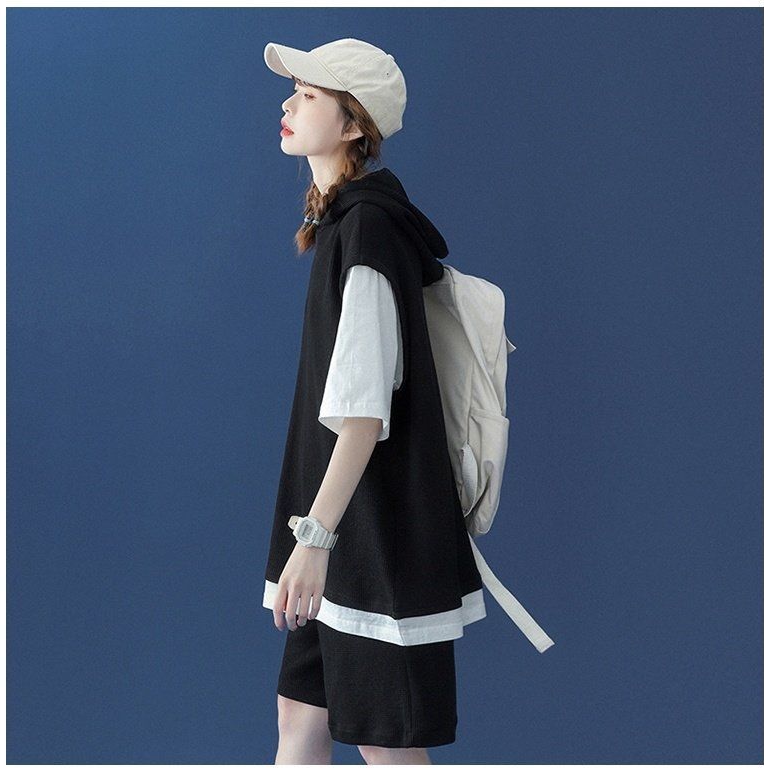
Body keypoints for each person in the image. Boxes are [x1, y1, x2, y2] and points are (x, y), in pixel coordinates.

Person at [261, 38, 486, 765]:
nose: (288, 104)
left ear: (354, 123)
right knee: (301, 718)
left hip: (372, 539)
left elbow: (362, 416)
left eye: (309, 95)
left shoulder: (367, 230)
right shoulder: (343, 223)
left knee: (388, 748)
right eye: (294, 91)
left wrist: (313, 542)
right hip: (343, 529)